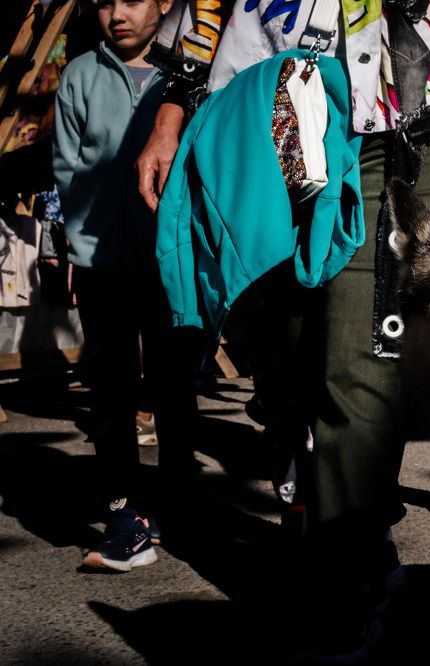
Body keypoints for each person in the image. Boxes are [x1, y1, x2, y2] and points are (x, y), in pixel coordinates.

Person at [136, 0, 430, 653]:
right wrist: (172, 113)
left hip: (400, 123)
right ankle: (363, 543)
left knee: (356, 363)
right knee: (286, 348)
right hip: (276, 112)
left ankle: (347, 583)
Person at [52, 0, 203, 572]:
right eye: (106, 2)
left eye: (133, 0)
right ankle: (123, 511)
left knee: (173, 386)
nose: (117, 13)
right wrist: (79, 246)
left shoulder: (187, 76)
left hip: (172, 266)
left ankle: (178, 495)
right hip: (104, 262)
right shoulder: (80, 75)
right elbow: (69, 167)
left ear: (166, 5)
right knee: (110, 388)